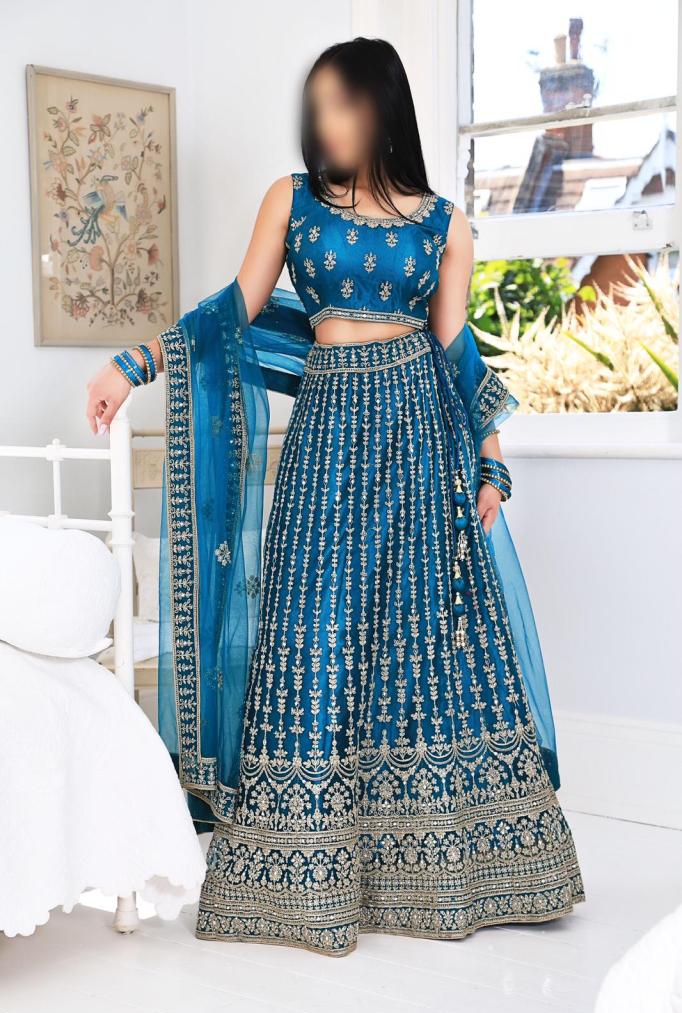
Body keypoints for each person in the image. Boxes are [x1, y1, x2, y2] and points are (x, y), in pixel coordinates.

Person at [86, 37, 584, 957]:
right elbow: (234, 308)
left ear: (382, 105)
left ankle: (446, 871)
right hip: (328, 437)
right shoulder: (294, 200)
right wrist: (138, 362)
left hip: (421, 442)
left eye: (341, 104)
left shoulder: (446, 224)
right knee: (312, 629)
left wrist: (491, 460)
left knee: (423, 640)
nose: (325, 124)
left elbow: (454, 348)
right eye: (315, 108)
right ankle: (305, 875)